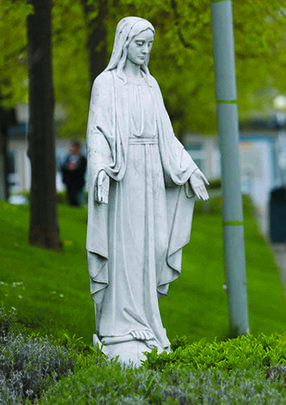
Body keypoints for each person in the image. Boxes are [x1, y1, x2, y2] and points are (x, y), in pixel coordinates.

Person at [86, 17, 209, 366]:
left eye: (149, 45)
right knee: (126, 249)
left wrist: (189, 170)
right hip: (123, 176)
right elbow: (97, 130)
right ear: (124, 43)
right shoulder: (106, 83)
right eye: (140, 44)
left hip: (152, 173)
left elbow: (167, 136)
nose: (145, 50)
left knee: (153, 248)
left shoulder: (151, 84)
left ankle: (148, 321)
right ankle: (120, 327)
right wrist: (99, 169)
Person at [60, 140, 87, 206]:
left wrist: (74, 168)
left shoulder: (82, 159)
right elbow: (62, 168)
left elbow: (82, 170)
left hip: (78, 183)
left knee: (78, 200)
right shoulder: (67, 158)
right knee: (70, 199)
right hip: (69, 182)